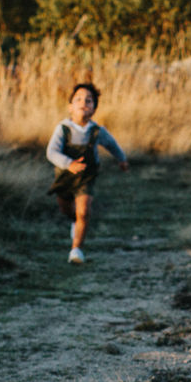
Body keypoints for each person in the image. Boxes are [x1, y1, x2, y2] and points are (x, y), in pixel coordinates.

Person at [46, 83, 128, 264]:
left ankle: (76, 250)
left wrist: (121, 159)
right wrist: (68, 164)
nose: (84, 103)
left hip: (87, 177)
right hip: (64, 178)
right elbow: (51, 152)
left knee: (84, 212)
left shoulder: (97, 131)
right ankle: (74, 222)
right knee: (67, 210)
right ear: (70, 107)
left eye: (89, 101)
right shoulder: (63, 129)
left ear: (94, 109)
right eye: (79, 99)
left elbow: (112, 145)